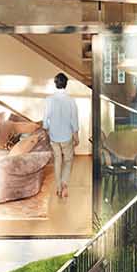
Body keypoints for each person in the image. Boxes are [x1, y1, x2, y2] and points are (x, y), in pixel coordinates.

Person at [43, 72, 79, 200]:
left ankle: (58, 187)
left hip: (54, 136)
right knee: (68, 161)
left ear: (55, 84)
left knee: (58, 161)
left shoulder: (49, 100)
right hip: (66, 137)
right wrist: (76, 136)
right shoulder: (70, 101)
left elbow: (46, 119)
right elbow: (73, 120)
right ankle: (64, 184)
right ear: (66, 84)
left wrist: (47, 130)